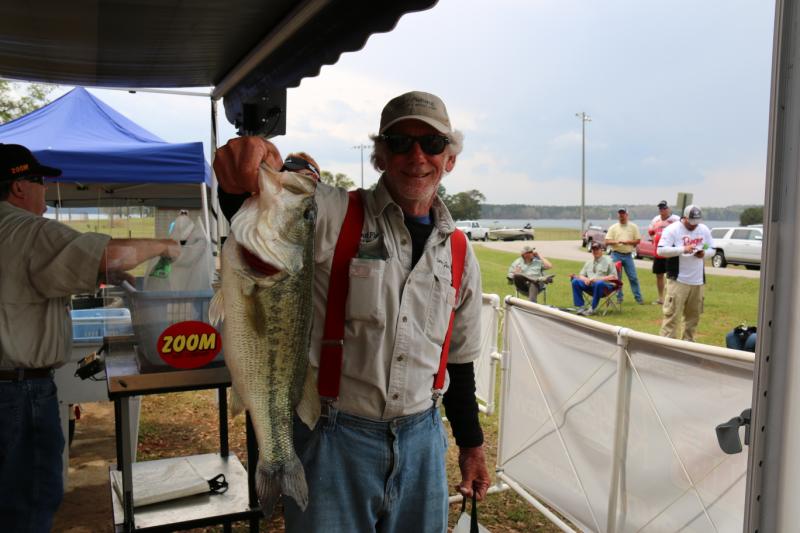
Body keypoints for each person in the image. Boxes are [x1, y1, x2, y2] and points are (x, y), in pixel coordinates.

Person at [214, 91, 490, 532]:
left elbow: (460, 361)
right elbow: (260, 211)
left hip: (424, 440)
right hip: (333, 439)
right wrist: (250, 164)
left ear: (449, 159)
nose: (416, 155)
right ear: (379, 156)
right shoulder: (334, 211)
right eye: (399, 142)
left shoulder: (459, 252)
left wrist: (472, 447)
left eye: (433, 144)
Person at [0, 143, 181, 531]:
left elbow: (29, 278)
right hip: (16, 395)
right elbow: (107, 253)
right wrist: (165, 245)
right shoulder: (22, 228)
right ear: (18, 186)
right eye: (40, 182)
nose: (44, 191)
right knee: (25, 507)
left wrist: (106, 275)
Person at [657, 204, 715, 342]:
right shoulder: (673, 230)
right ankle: (666, 345)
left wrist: (704, 253)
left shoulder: (703, 229)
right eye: (691, 223)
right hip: (678, 279)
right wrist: (682, 249)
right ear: (684, 218)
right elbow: (661, 250)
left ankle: (688, 344)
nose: (694, 226)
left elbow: (712, 248)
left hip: (698, 280)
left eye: (697, 223)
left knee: (693, 317)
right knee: (672, 316)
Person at [605, 207, 644, 305]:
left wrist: (628, 242)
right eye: (620, 214)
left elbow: (638, 240)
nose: (621, 216)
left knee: (633, 277)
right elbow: (607, 241)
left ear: (627, 215)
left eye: (623, 214)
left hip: (628, 256)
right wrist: (616, 241)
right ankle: (619, 298)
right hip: (616, 254)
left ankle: (638, 298)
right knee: (617, 278)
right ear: (618, 215)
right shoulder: (613, 227)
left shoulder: (633, 227)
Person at [569, 241, 618, 315]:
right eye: (593, 250)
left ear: (602, 250)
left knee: (599, 283)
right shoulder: (589, 262)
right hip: (591, 286)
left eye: (597, 249)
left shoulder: (609, 261)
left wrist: (597, 279)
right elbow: (581, 275)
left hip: (605, 288)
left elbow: (613, 277)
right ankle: (581, 307)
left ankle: (592, 308)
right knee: (575, 281)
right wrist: (586, 279)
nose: (595, 251)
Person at [647, 200, 680, 304]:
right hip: (658, 252)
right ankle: (661, 298)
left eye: (664, 208)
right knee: (659, 275)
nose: (662, 210)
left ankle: (671, 297)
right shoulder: (656, 220)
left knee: (671, 275)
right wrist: (654, 238)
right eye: (660, 208)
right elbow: (651, 231)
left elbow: (681, 231)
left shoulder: (675, 219)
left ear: (668, 209)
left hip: (670, 251)